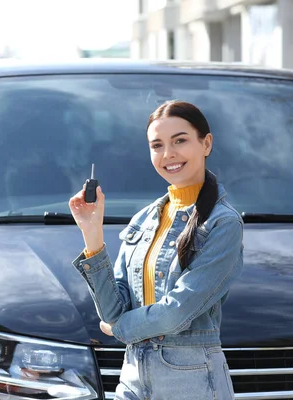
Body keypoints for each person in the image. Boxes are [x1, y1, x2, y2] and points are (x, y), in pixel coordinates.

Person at [69, 100, 243, 400]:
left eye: (180, 141)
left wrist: (119, 329)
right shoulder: (145, 220)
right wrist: (92, 233)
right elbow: (114, 308)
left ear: (206, 143)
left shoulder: (223, 223)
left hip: (192, 382)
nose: (168, 154)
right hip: (134, 375)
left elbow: (176, 313)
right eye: (157, 145)